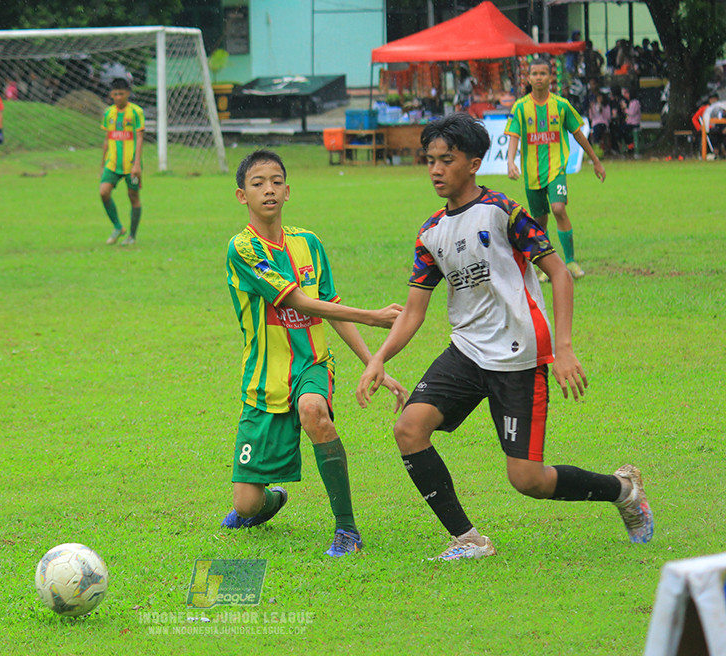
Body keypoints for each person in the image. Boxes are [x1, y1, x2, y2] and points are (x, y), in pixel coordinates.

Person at [355, 113, 653, 561]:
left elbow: (559, 273)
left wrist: (564, 349)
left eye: (446, 160)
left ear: (474, 163)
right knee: (409, 429)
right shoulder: (430, 232)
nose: (435, 170)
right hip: (467, 350)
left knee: (527, 480)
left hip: (519, 354)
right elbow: (414, 310)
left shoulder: (503, 212)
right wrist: (378, 358)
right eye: (430, 160)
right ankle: (468, 539)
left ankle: (623, 490)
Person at [222, 149, 406, 557]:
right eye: (257, 183)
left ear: (288, 191)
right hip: (264, 378)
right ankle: (273, 500)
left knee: (313, 410)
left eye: (275, 181)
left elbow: (331, 308)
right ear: (242, 196)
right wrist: (373, 316)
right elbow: (300, 303)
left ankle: (347, 531)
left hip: (313, 364)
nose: (268, 189)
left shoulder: (310, 243)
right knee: (247, 505)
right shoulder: (243, 249)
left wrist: (373, 362)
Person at [506, 58, 605, 281]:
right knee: (540, 221)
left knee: (558, 208)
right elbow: (513, 135)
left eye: (543, 73)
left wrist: (595, 160)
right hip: (532, 173)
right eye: (535, 73)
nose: (539, 77)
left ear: (551, 78)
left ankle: (570, 261)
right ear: (529, 78)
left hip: (556, 168)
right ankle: (547, 267)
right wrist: (511, 161)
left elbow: (578, 133)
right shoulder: (521, 107)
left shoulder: (561, 105)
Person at [99, 78, 144, 246]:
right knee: (103, 192)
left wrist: (137, 164)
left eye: (121, 94)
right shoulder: (108, 113)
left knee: (133, 196)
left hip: (131, 163)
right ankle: (118, 226)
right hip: (112, 164)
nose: (118, 97)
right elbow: (106, 139)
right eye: (115, 94)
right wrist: (102, 164)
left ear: (128, 94)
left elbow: (139, 137)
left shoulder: (136, 112)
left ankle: (131, 236)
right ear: (111, 94)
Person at [620, 87, 642, 157]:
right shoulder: (631, 102)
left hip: (634, 123)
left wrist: (625, 108)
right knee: (621, 129)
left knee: (624, 129)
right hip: (630, 123)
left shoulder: (635, 102)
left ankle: (630, 145)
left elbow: (631, 113)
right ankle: (629, 144)